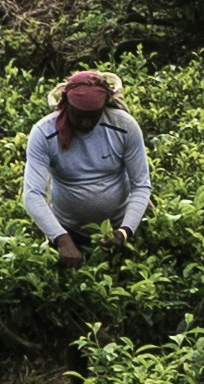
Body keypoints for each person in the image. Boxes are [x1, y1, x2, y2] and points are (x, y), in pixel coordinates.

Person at [21, 67, 150, 266]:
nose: (85, 121)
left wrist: (125, 231)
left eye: (93, 115)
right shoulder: (44, 133)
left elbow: (141, 185)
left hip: (121, 229)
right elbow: (32, 194)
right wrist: (62, 239)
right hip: (68, 231)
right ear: (66, 106)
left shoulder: (124, 126)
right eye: (78, 114)